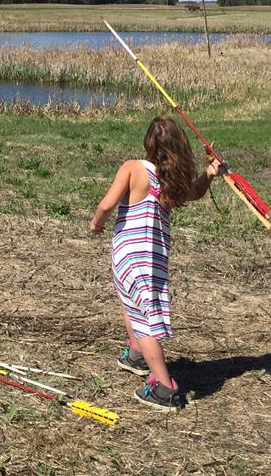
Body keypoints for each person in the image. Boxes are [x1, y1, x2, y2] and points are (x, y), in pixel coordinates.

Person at [90, 117, 221, 411]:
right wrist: (211, 171)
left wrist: (97, 222)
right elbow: (196, 190)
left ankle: (164, 386)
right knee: (134, 303)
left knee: (143, 317)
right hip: (155, 257)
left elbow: (107, 203)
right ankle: (136, 354)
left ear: (148, 142)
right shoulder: (170, 180)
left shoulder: (133, 168)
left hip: (129, 254)